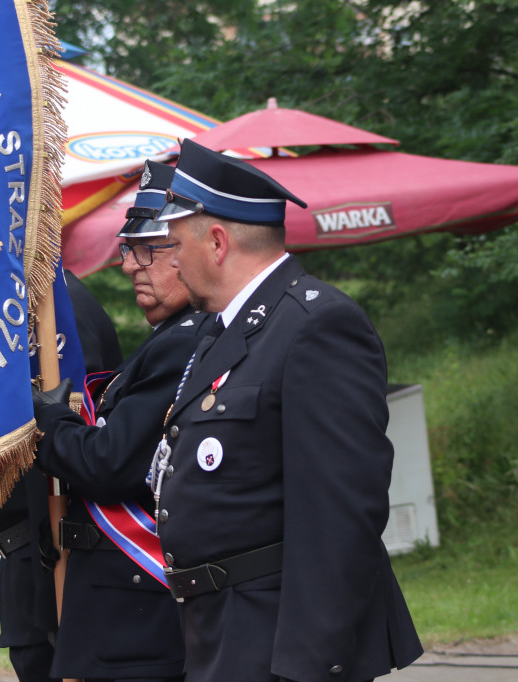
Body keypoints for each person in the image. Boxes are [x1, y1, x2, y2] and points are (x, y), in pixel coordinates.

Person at [148, 138, 423, 682]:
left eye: (175, 244)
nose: (171, 261)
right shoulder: (226, 332)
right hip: (222, 628)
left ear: (218, 241)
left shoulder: (315, 326)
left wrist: (307, 663)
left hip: (277, 641)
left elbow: (341, 513)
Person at [31, 159, 213, 682]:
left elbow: (110, 463)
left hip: (138, 606)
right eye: (128, 250)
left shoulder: (186, 341)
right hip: (124, 600)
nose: (131, 265)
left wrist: (49, 424)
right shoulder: (173, 335)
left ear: (193, 251)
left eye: (148, 249)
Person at [0, 269, 124, 682]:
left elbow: (78, 428)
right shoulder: (12, 301)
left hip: (57, 542)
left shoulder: (57, 306)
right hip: (26, 546)